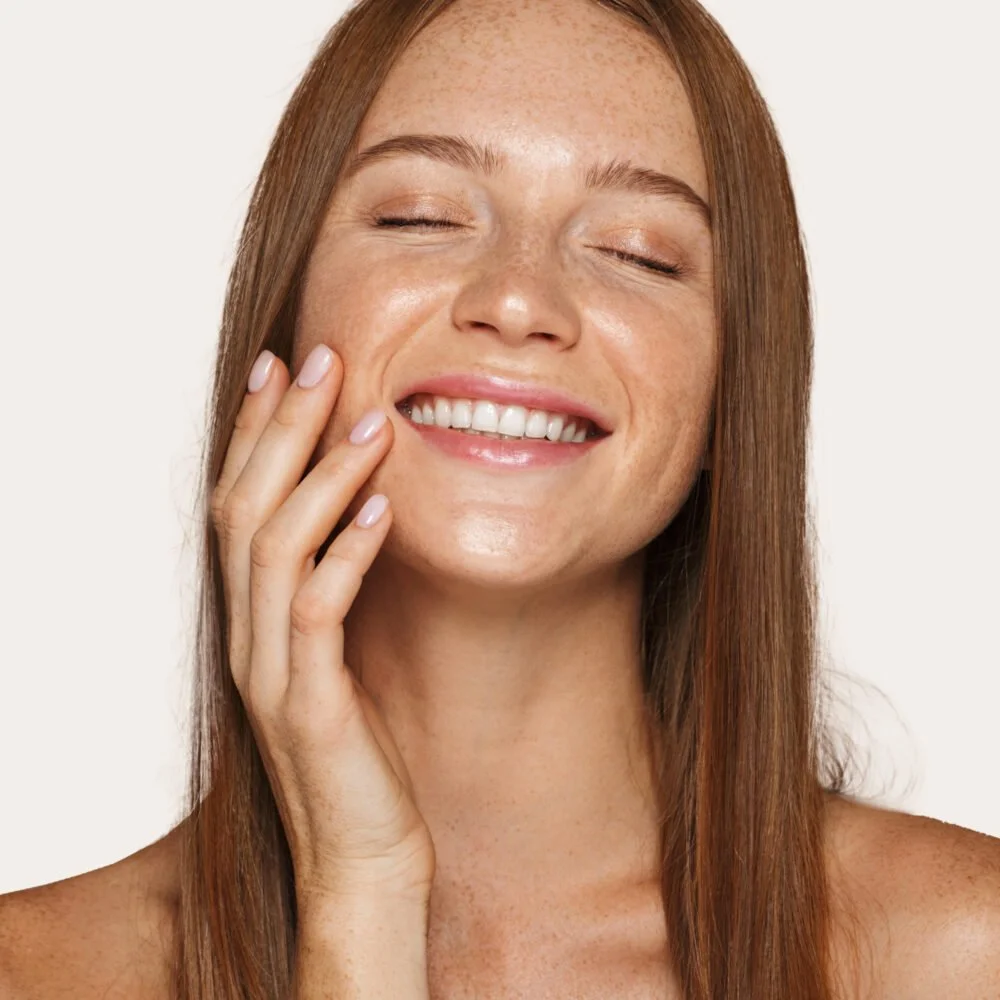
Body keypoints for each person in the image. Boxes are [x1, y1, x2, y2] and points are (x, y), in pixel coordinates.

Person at [1, 0, 998, 997]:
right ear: (286, 315)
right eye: (420, 218)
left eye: (640, 252)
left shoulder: (959, 952)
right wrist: (361, 897)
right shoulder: (34, 970)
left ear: (728, 395)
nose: (518, 299)